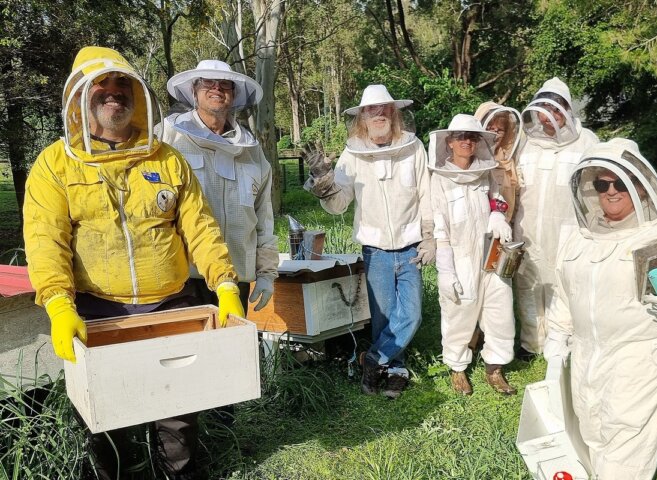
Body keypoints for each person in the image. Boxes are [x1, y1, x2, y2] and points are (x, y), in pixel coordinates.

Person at [23, 46, 244, 480]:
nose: (113, 92)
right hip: (99, 309)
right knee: (106, 418)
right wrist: (58, 304)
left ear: (137, 95)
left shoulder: (165, 158)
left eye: (122, 83)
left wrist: (226, 286)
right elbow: (46, 240)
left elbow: (200, 227)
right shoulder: (53, 165)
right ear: (80, 96)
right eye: (101, 85)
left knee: (178, 412)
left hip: (171, 305)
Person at [543, 138, 657, 479]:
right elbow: (566, 289)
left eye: (621, 183)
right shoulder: (580, 235)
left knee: (627, 448)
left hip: (643, 354)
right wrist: (558, 335)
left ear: (642, 185)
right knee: (591, 431)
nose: (611, 191)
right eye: (601, 183)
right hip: (586, 354)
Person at [304, 84, 434, 399]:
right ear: (363, 117)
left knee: (412, 314)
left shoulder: (413, 148)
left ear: (393, 113)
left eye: (384, 109)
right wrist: (323, 179)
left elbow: (426, 194)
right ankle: (393, 370)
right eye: (371, 110)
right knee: (384, 317)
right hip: (375, 250)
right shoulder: (353, 154)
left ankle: (373, 358)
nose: (378, 114)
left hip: (410, 246)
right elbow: (338, 204)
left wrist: (430, 236)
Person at [163, 60, 278, 315]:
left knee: (233, 354)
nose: (216, 88)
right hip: (184, 280)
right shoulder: (169, 137)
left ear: (234, 94)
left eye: (225, 84)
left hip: (236, 278)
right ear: (194, 91)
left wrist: (267, 272)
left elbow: (263, 216)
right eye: (207, 82)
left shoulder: (252, 150)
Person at [428, 114, 516, 396]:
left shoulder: (486, 171)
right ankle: (457, 368)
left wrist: (498, 216)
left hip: (491, 253)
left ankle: (495, 368)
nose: (466, 141)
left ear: (478, 142)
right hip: (460, 257)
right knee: (459, 313)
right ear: (450, 142)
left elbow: (497, 199)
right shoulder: (439, 179)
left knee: (500, 311)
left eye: (472, 137)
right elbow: (440, 228)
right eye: (461, 137)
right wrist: (445, 270)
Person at [513, 77, 599, 359]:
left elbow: (597, 188)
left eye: (559, 108)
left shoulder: (587, 141)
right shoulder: (526, 142)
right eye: (546, 109)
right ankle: (530, 343)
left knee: (565, 287)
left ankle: (561, 343)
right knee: (528, 286)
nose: (552, 116)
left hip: (569, 231)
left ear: (567, 110)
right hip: (526, 230)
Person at [474, 102, 522, 220]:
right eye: (490, 128)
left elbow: (515, 200)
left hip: (503, 230)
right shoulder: (468, 159)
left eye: (500, 130)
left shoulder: (508, 163)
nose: (494, 134)